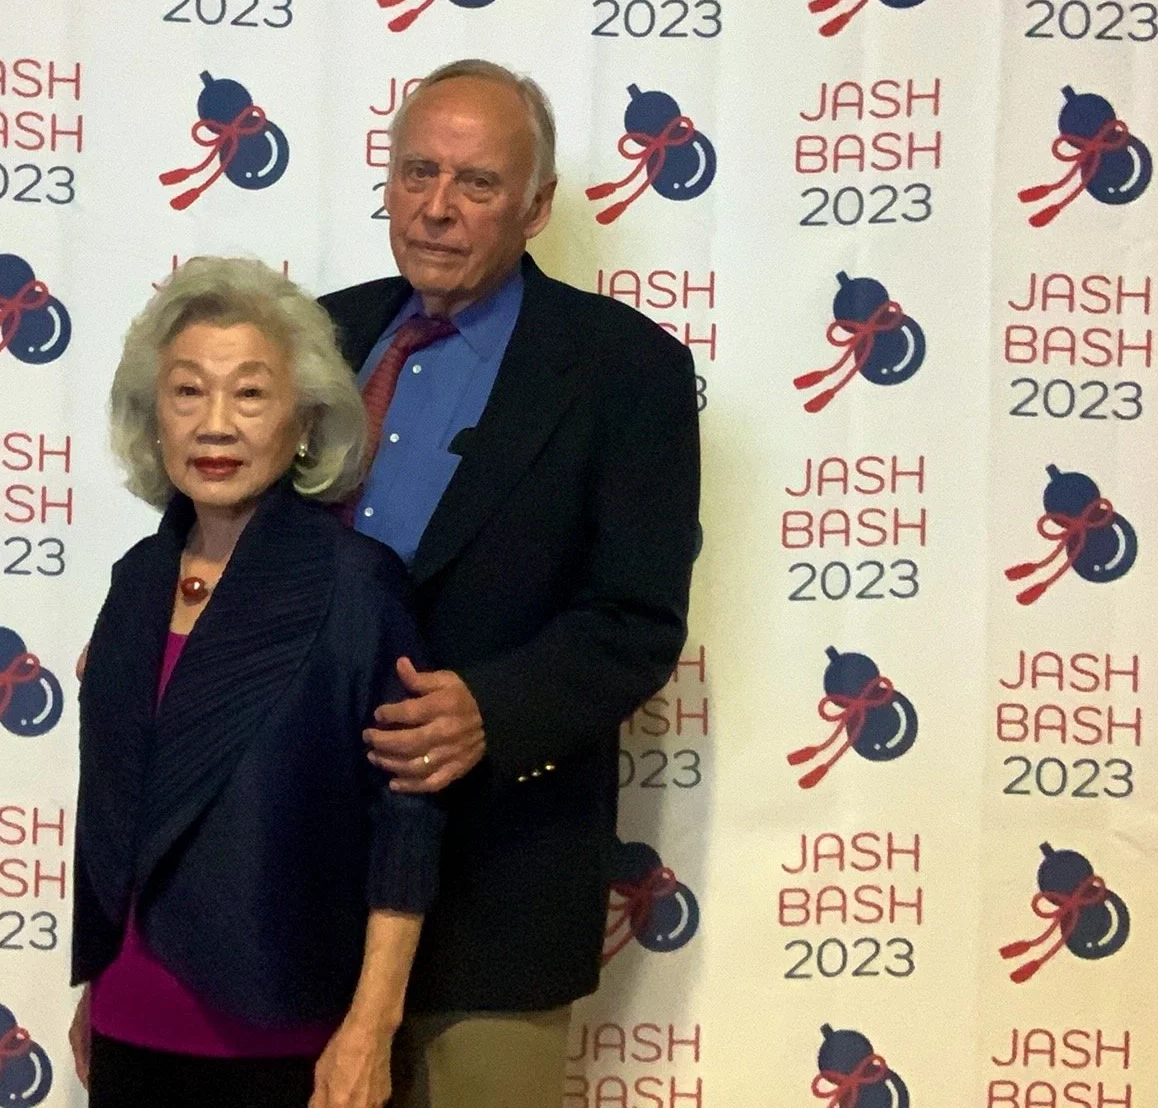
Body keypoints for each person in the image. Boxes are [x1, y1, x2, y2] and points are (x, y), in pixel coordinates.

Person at [319, 61, 701, 1108]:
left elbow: (635, 618)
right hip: (292, 879)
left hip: (497, 884)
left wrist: (492, 710)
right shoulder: (315, 338)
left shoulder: (628, 372)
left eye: (477, 182)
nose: (437, 207)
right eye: (418, 172)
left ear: (536, 208)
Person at [69, 256, 444, 1108]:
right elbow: (124, 810)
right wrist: (97, 984)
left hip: (281, 1041)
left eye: (249, 394)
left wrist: (371, 1025)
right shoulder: (136, 582)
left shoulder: (358, 585)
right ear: (153, 417)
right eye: (187, 392)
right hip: (126, 1028)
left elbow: (408, 820)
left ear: (304, 419)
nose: (216, 424)